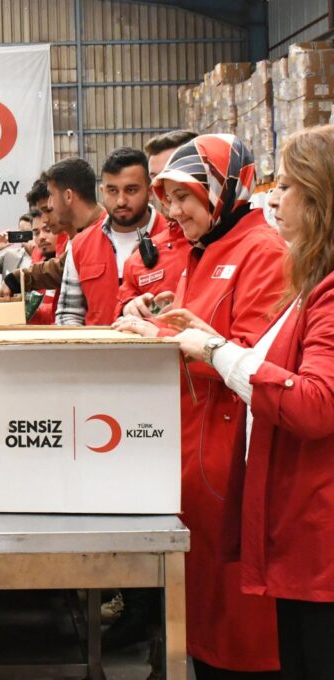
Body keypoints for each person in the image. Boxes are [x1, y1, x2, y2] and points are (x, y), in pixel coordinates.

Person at [154, 126, 334, 679]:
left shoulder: (269, 256)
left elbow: (305, 394)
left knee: (268, 637)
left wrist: (210, 347)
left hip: (275, 477)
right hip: (225, 461)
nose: (277, 198)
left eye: (292, 187)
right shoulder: (206, 252)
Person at [115, 134, 286, 678]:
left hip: (234, 454)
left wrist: (164, 336)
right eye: (167, 197)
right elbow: (196, 329)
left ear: (223, 188)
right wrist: (153, 314)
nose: (173, 210)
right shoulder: (205, 249)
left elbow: (254, 359)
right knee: (204, 602)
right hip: (197, 449)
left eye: (185, 195)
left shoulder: (262, 253)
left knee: (238, 616)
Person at [56, 147, 167, 326]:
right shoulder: (81, 245)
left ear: (150, 191)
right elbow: (69, 314)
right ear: (102, 190)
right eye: (112, 191)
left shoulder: (175, 239)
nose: (121, 201)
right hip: (96, 353)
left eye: (131, 190)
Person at [117, 130, 198, 319]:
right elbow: (124, 301)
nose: (163, 187)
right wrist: (128, 308)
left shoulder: (236, 247)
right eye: (155, 177)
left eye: (171, 175)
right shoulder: (140, 258)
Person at [2, 159, 106, 296]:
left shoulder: (105, 233)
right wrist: (18, 278)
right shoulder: (75, 240)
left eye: (48, 208)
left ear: (68, 196)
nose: (44, 220)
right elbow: (58, 269)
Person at [26, 210, 58, 325]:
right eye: (36, 233)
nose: (41, 237)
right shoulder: (36, 260)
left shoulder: (73, 259)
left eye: (47, 230)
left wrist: (34, 311)